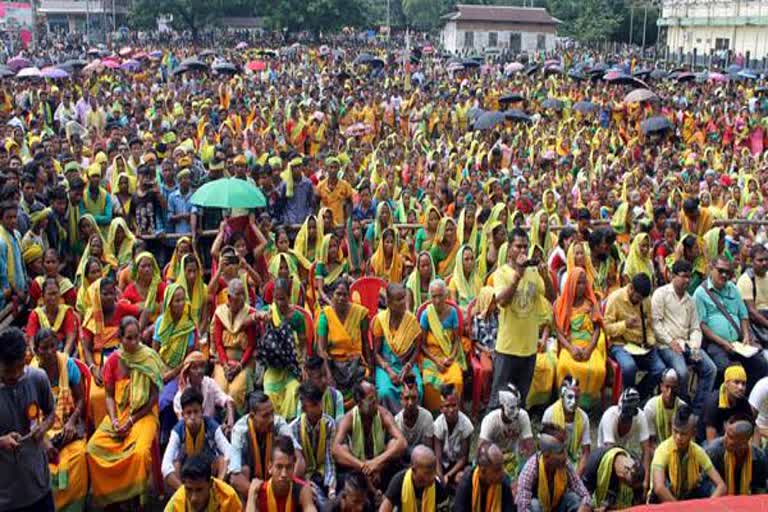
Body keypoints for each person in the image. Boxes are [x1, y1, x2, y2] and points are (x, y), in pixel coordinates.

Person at [85, 316, 165, 508]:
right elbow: (110, 396)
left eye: (137, 337)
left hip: (144, 415)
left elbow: (154, 397)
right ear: (120, 339)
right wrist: (114, 421)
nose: (134, 342)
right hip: (119, 414)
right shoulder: (113, 361)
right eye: (129, 338)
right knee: (93, 449)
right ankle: (112, 498)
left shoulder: (149, 358)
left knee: (138, 454)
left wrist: (131, 420)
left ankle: (134, 499)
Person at [490, 227, 554, 408]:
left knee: (520, 399)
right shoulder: (501, 273)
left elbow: (552, 297)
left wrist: (546, 278)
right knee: (498, 400)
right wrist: (518, 275)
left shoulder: (533, 272)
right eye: (518, 247)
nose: (522, 251)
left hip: (529, 348)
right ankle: (491, 433)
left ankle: (516, 434)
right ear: (509, 249)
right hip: (507, 348)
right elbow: (501, 301)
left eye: (525, 247)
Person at [30, 328, 88, 512]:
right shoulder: (31, 374)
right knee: (48, 464)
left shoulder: (68, 364)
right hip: (42, 430)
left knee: (78, 457)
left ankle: (75, 506)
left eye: (52, 347)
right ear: (36, 350)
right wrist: (43, 439)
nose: (48, 352)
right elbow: (30, 414)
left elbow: (80, 398)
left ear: (57, 346)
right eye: (43, 348)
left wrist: (71, 421)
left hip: (67, 425)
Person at [0, 327, 55, 512]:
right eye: (8, 371)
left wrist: (44, 427)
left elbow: (51, 413)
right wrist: (1, 441)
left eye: (18, 369)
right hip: (7, 497)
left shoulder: (38, 378)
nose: (15, 376)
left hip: (39, 485)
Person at [651, 259, 716, 415]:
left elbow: (695, 328)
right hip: (667, 345)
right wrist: (670, 341)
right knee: (682, 372)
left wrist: (694, 346)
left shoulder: (690, 300)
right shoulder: (661, 294)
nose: (687, 280)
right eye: (683, 276)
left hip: (687, 344)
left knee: (710, 369)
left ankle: (698, 410)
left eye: (689, 277)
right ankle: (682, 408)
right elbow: (655, 324)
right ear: (673, 275)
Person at [694, 255, 768, 391]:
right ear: (711, 269)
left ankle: (747, 399)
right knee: (727, 369)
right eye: (720, 270)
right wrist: (722, 343)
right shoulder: (700, 293)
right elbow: (702, 326)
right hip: (715, 343)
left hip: (738, 342)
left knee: (761, 365)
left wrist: (746, 335)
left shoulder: (733, 288)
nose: (724, 275)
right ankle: (725, 402)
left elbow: (743, 315)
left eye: (727, 272)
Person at [80, 277, 142, 427]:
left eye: (111, 293)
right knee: (97, 395)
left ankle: (127, 423)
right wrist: (93, 369)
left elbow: (144, 310)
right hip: (98, 358)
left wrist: (139, 329)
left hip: (123, 353)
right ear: (97, 295)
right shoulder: (92, 315)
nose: (108, 298)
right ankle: (106, 427)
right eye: (104, 294)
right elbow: (86, 348)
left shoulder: (120, 308)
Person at [332, 381, 406, 491]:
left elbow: (402, 442)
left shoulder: (383, 413)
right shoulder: (349, 418)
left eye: (376, 397)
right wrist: (363, 466)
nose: (376, 402)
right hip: (358, 469)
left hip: (381, 467)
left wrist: (377, 463)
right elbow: (335, 449)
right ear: (359, 403)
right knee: (343, 449)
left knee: (394, 444)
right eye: (371, 399)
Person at [604, 273, 666, 400]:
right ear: (631, 288)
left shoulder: (645, 301)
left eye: (642, 298)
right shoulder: (615, 298)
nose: (640, 301)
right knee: (629, 368)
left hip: (641, 345)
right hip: (620, 344)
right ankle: (627, 398)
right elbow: (607, 328)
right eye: (638, 297)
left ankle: (638, 395)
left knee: (660, 369)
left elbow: (649, 325)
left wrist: (650, 340)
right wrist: (625, 325)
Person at [649, 404, 726, 503]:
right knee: (663, 485)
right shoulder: (662, 450)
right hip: (665, 503)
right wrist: (680, 509)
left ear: (693, 432)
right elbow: (659, 488)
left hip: (686, 498)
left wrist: (707, 507)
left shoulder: (697, 451)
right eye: (675, 431)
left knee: (709, 487)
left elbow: (721, 486)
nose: (678, 437)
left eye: (683, 433)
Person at [553, 267, 606, 409]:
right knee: (565, 366)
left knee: (598, 369)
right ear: (571, 284)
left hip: (588, 345)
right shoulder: (562, 304)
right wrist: (571, 349)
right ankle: (565, 401)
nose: (581, 287)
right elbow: (559, 332)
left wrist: (589, 349)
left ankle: (585, 405)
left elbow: (597, 329)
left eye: (583, 283)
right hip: (569, 345)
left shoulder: (591, 303)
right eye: (578, 283)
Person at [161, 387, 232, 492]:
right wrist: (184, 490)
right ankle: (183, 499)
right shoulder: (177, 431)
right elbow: (165, 466)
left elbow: (229, 452)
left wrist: (219, 483)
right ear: (182, 415)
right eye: (188, 413)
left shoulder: (211, 425)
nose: (193, 417)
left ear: (202, 412)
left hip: (209, 472)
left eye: (196, 412)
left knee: (222, 460)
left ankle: (215, 492)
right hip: (187, 478)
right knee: (174, 466)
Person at [153, 282, 199, 442]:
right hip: (159, 368)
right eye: (176, 300)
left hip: (180, 371)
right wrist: (161, 372)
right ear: (169, 303)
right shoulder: (161, 322)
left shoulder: (189, 325)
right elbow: (155, 352)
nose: (180, 304)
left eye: (182, 300)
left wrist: (171, 373)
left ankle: (166, 438)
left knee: (167, 401)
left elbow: (188, 358)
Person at [229, 391, 297, 497]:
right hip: (253, 488)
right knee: (244, 470)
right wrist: (264, 497)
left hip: (277, 482)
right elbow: (235, 478)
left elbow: (299, 458)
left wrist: (287, 485)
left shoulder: (278, 423)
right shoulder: (239, 431)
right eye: (265, 416)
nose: (271, 419)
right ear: (252, 416)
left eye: (272, 413)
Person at [515, 423, 592, 512]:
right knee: (533, 505)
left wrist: (584, 506)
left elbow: (584, 494)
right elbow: (522, 507)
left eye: (565, 451)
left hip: (557, 509)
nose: (565, 456)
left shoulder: (565, 464)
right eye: (560, 452)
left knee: (573, 499)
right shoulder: (530, 470)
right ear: (547, 455)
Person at [373, 283, 423, 412]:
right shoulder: (381, 321)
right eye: (399, 299)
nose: (403, 303)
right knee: (385, 392)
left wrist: (408, 366)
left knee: (417, 390)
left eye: (404, 298)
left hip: (406, 365)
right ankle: (391, 422)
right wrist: (389, 371)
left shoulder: (411, 321)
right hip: (386, 365)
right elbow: (376, 353)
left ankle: (411, 420)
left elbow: (417, 349)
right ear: (389, 302)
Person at [263, 278, 307, 421]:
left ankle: (289, 424)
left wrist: (303, 365)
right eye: (276, 299)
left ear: (289, 297)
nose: (279, 303)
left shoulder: (297, 318)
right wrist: (261, 318)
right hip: (274, 368)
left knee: (294, 390)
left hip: (291, 368)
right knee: (269, 394)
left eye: (283, 299)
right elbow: (250, 318)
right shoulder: (268, 312)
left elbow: (303, 344)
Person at [317, 280, 370, 399]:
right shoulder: (325, 315)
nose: (341, 298)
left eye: (345, 294)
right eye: (338, 294)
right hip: (334, 365)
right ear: (332, 295)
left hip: (355, 363)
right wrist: (329, 375)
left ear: (349, 296)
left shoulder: (360, 313)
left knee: (365, 389)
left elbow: (366, 343)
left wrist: (370, 367)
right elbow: (322, 349)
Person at [211, 278, 258, 413]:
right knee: (221, 387)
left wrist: (240, 365)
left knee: (235, 391)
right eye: (238, 295)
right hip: (223, 360)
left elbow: (251, 345)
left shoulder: (249, 314)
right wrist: (225, 365)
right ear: (229, 298)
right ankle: (221, 420)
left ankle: (235, 420)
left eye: (243, 294)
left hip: (244, 361)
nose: (242, 298)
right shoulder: (220, 313)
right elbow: (218, 343)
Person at [420, 278, 464, 412]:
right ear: (430, 297)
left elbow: (457, 340)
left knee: (456, 380)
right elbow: (422, 345)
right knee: (429, 383)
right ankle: (434, 411)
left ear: (446, 295)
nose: (437, 300)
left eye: (440, 296)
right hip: (431, 357)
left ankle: (452, 409)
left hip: (448, 355)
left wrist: (451, 357)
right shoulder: (426, 314)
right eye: (434, 296)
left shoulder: (453, 313)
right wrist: (436, 361)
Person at [596, 388, 652, 492]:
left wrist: (645, 481)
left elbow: (646, 450)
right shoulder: (609, 416)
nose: (626, 422)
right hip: (605, 455)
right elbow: (611, 454)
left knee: (638, 473)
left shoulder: (640, 416)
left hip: (623, 452)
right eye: (624, 418)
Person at [290, 382, 337, 504]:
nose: (320, 407)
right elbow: (298, 465)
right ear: (304, 408)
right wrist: (306, 486)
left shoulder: (329, 424)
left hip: (324, 475)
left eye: (320, 402)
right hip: (305, 479)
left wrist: (331, 490)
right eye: (315, 405)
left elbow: (329, 460)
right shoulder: (294, 428)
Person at [246, 435, 317, 512]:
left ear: (293, 467)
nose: (284, 474)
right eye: (279, 467)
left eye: (288, 467)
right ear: (270, 467)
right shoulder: (259, 491)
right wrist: (251, 495)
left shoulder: (302, 489)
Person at [173, 351, 236, 436]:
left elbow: (228, 401)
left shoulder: (210, 383)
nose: (199, 371)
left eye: (202, 367)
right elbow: (183, 426)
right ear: (187, 372)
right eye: (194, 368)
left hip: (212, 428)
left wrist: (230, 423)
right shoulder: (179, 397)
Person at [479, 384, 534, 479]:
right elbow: (481, 449)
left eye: (518, 406)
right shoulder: (490, 420)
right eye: (512, 408)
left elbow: (530, 448)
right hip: (493, 460)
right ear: (502, 406)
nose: (516, 412)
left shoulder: (523, 416)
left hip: (513, 460)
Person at [705, 414, 768, 495]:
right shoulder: (714, 451)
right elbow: (706, 483)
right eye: (726, 434)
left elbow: (760, 489)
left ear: (744, 443)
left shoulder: (759, 457)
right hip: (718, 496)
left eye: (730, 437)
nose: (725, 438)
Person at [542, 377, 591, 475]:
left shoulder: (583, 417)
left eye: (576, 397)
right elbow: (544, 449)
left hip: (574, 461)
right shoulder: (550, 413)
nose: (573, 402)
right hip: (553, 461)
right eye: (569, 397)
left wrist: (577, 476)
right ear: (562, 396)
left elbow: (586, 452)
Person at [380, 445, 448, 512]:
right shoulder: (399, 481)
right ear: (414, 470)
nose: (433, 477)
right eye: (427, 473)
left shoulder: (438, 486)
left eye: (434, 471)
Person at [164, 454, 242, 512]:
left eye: (199, 490)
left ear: (210, 484)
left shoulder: (228, 497)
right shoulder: (176, 504)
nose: (194, 498)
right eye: (189, 490)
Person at [433, 383, 473, 487]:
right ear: (441, 408)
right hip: (443, 463)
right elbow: (438, 456)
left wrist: (448, 476)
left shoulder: (466, 425)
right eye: (447, 406)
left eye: (454, 405)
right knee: (433, 477)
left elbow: (464, 458)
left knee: (462, 477)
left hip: (458, 465)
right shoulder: (438, 424)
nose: (451, 410)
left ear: (459, 405)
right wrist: (441, 476)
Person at [25, 276, 78, 355]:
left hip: (62, 350)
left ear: (60, 293)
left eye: (55, 293)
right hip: (42, 351)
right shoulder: (35, 314)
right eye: (49, 294)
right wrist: (36, 356)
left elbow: (70, 336)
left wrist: (64, 356)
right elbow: (31, 338)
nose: (53, 297)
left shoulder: (66, 311)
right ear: (43, 296)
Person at [454, 443, 514, 512]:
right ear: (483, 471)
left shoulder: (503, 482)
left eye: (502, 467)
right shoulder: (466, 483)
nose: (502, 473)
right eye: (497, 470)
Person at [582, 447, 644, 511]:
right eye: (628, 485)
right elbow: (584, 497)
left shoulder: (636, 469)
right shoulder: (594, 463)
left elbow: (639, 501)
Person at [703, 365, 754, 441]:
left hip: (732, 438)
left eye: (743, 384)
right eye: (736, 382)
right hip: (710, 442)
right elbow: (711, 442)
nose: (741, 387)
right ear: (726, 383)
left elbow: (755, 428)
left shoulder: (743, 400)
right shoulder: (713, 403)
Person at [643, 369, 687, 446]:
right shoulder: (650, 408)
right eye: (667, 387)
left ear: (679, 388)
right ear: (661, 387)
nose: (670, 392)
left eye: (673, 388)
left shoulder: (682, 407)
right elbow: (650, 443)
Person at [736, 244, 768, 347]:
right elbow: (752, 312)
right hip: (757, 322)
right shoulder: (746, 280)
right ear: (752, 261)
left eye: (766, 259)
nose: (764, 263)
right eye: (760, 260)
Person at [394, 375, 434, 450]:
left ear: (418, 397)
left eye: (413, 398)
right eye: (406, 398)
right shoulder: (397, 421)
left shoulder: (427, 417)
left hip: (422, 457)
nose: (410, 403)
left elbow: (428, 448)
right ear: (401, 399)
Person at [301, 355, 345, 422]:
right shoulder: (304, 399)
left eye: (325, 375)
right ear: (310, 378)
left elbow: (339, 424)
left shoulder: (336, 396)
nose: (324, 380)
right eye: (319, 377)